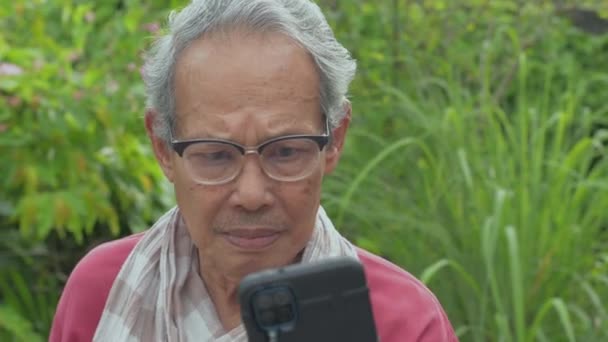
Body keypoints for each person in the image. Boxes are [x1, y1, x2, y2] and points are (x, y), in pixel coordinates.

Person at [50, 0, 458, 341]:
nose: (250, 195)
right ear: (162, 147)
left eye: (284, 152)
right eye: (215, 155)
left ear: (333, 140)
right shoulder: (102, 290)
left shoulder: (402, 322)